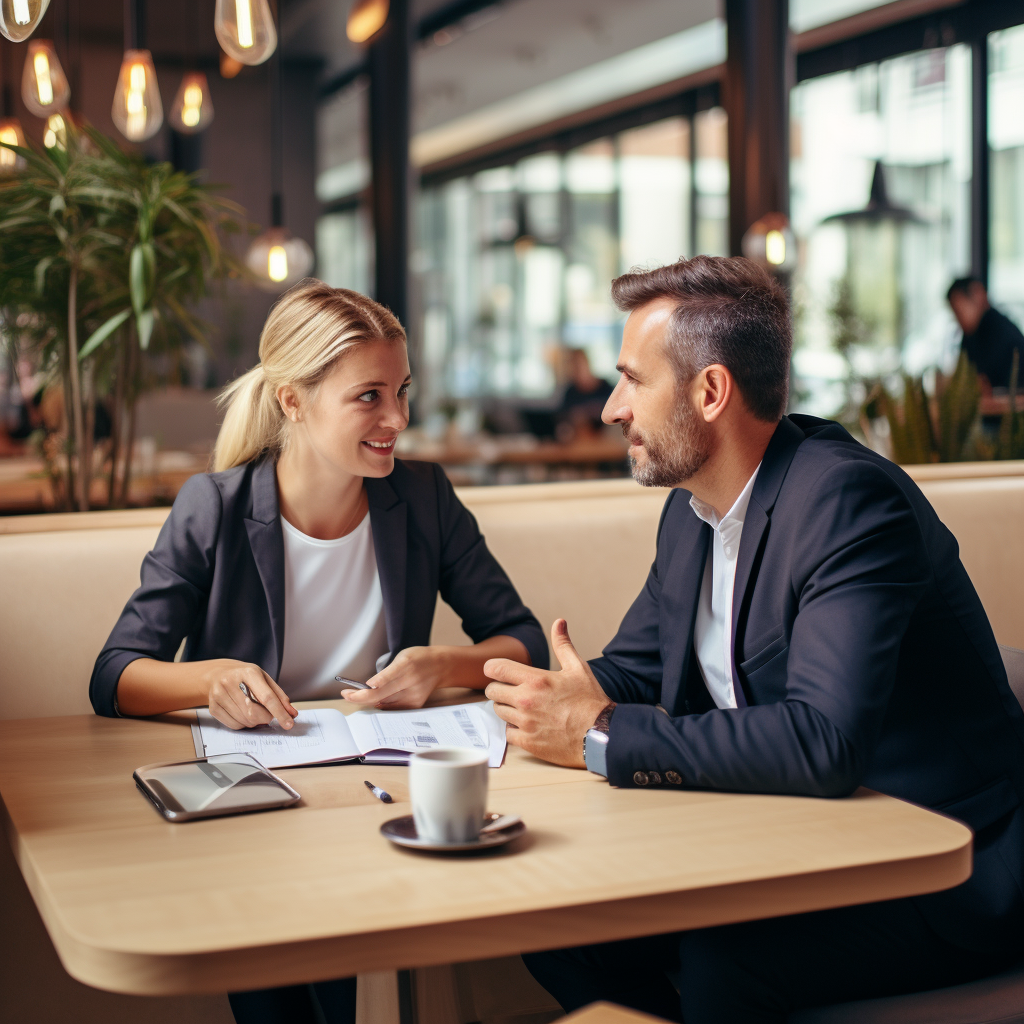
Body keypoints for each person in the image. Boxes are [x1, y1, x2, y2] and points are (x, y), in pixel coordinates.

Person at [483, 256, 1024, 1023]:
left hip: (947, 862)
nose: (610, 408)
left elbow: (823, 740)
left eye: (633, 380)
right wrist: (533, 701)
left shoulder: (845, 501)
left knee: (721, 961)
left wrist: (600, 734)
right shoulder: (692, 512)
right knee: (558, 926)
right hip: (807, 845)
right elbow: (633, 675)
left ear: (710, 392)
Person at [90, 279, 547, 1024]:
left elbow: (520, 638)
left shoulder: (424, 498)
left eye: (401, 391)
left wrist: (441, 666)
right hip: (257, 808)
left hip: (375, 800)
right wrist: (211, 680)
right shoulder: (215, 507)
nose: (397, 418)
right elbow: (114, 675)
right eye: (369, 396)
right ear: (292, 400)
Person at [947, 276, 1024, 391]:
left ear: (978, 295)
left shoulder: (1003, 331)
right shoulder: (970, 336)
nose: (958, 319)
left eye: (959, 310)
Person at [555, 348, 615, 439]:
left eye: (578, 364)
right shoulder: (570, 392)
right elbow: (563, 421)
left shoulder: (606, 387)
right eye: (572, 365)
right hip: (578, 442)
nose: (576, 369)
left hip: (607, 441)